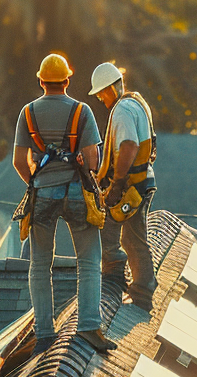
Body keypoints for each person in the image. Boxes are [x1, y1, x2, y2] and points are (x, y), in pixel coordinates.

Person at [13, 53, 118, 353]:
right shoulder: (81, 111)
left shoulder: (28, 112)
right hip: (76, 193)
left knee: (40, 264)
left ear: (41, 81)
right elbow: (94, 161)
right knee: (88, 260)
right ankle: (88, 326)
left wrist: (35, 181)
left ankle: (44, 334)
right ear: (68, 80)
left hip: (42, 194)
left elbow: (20, 161)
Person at [89, 62, 158, 311]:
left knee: (128, 238)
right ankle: (132, 283)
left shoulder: (121, 111)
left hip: (132, 185)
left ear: (111, 88)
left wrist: (117, 183)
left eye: (100, 92)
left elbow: (129, 145)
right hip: (141, 182)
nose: (99, 97)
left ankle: (138, 292)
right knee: (129, 235)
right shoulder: (135, 103)